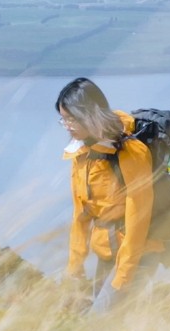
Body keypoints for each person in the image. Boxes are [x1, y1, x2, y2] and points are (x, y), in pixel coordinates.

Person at [57, 77, 161, 313]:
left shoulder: (130, 152)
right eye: (63, 119)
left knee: (100, 323)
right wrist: (75, 267)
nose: (67, 126)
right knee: (97, 328)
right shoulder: (81, 151)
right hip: (107, 251)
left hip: (137, 254)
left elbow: (139, 217)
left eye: (72, 118)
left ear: (90, 114)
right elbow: (81, 214)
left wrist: (123, 276)